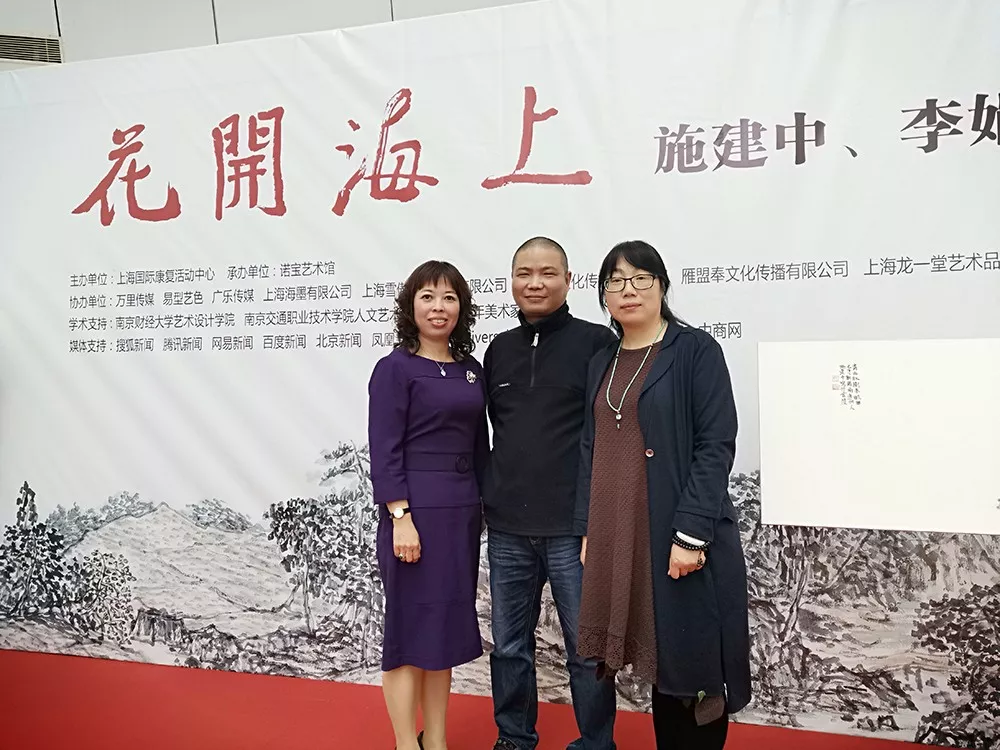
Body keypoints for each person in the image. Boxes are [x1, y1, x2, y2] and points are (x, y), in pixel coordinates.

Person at [574, 240, 752, 750]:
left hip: (679, 534)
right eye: (615, 281)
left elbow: (715, 445)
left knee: (693, 668)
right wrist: (589, 529)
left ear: (662, 286)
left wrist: (691, 534)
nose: (627, 290)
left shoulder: (695, 350)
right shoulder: (603, 361)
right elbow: (591, 448)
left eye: (641, 278)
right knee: (661, 662)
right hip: (622, 537)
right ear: (604, 295)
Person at [482, 237, 619, 750]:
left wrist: (594, 519)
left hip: (572, 529)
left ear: (568, 280)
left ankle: (596, 743)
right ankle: (514, 738)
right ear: (511, 281)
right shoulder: (498, 350)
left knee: (587, 649)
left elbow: (609, 435)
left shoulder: (597, 344)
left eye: (547, 273)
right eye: (524, 273)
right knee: (509, 647)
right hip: (508, 529)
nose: (534, 283)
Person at [368, 260, 489, 750]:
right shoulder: (394, 368)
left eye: (449, 298)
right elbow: (384, 448)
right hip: (413, 516)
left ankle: (435, 741)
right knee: (408, 632)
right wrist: (400, 517)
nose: (439, 307)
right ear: (410, 306)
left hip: (461, 516)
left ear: (462, 308)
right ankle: (405, 743)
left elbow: (481, 447)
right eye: (428, 297)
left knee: (442, 633)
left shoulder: (472, 370)